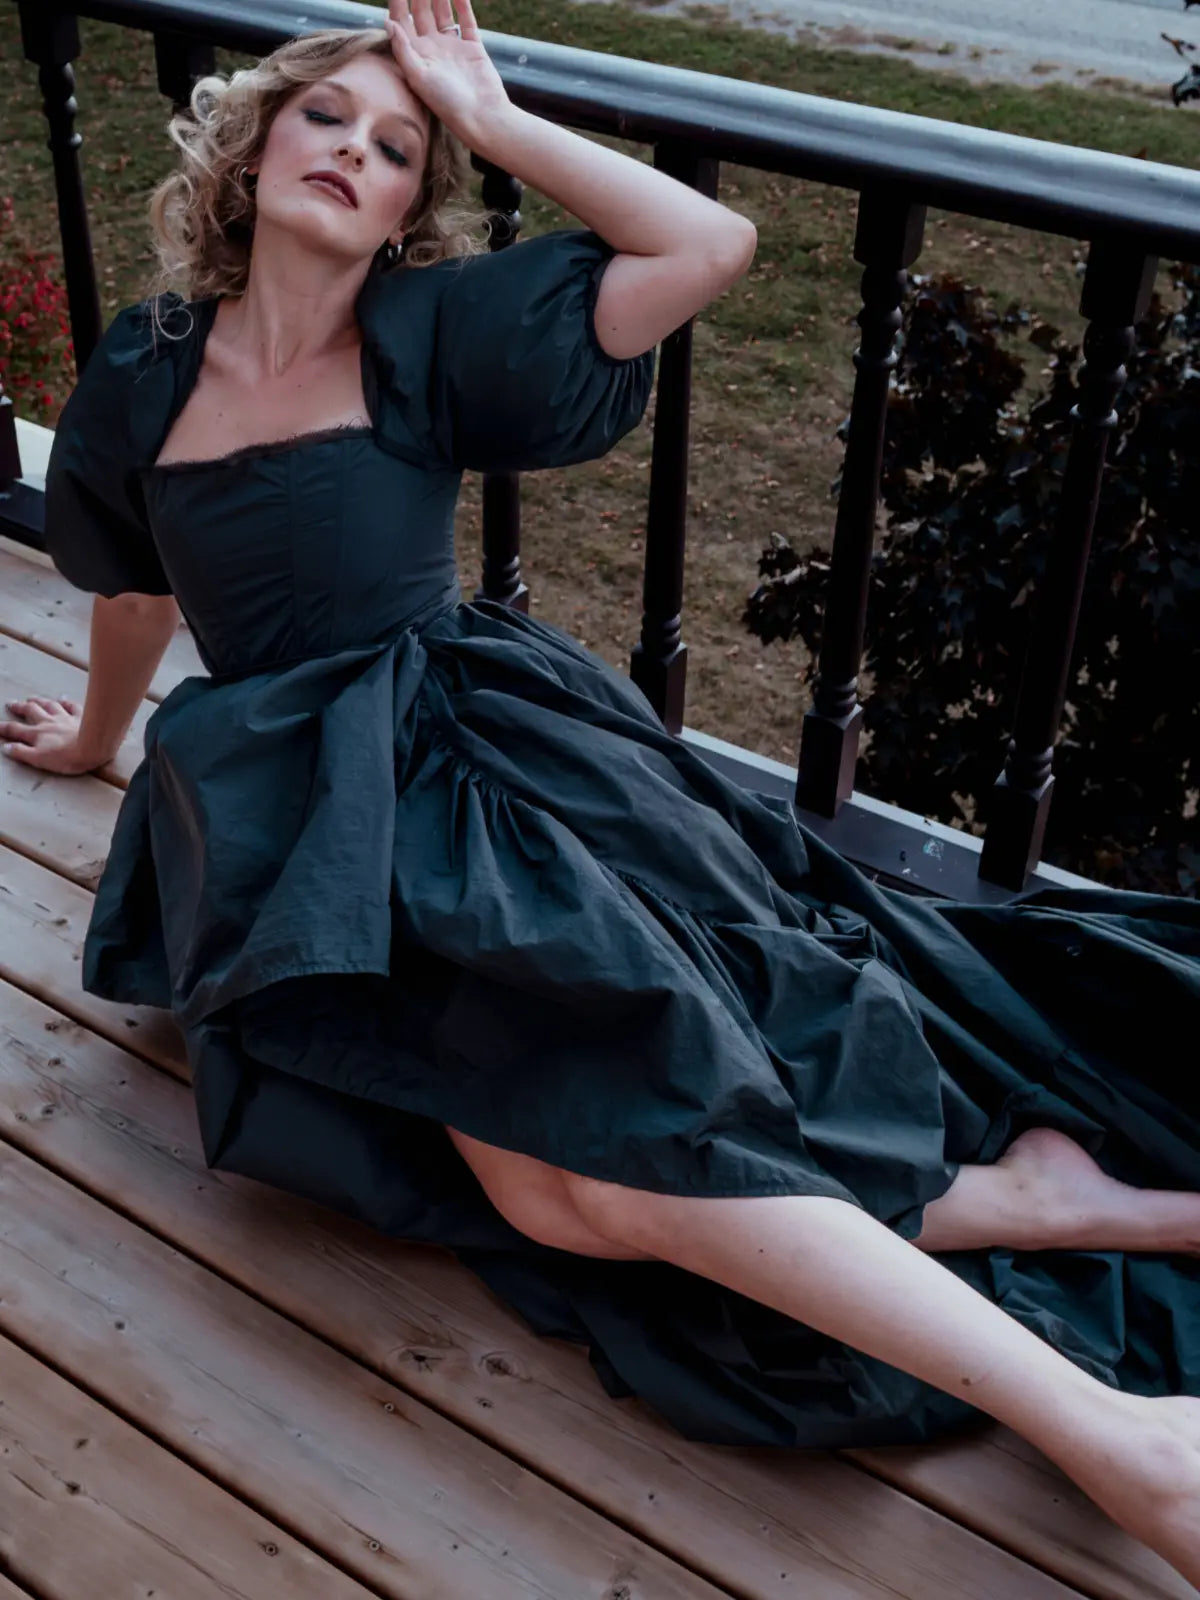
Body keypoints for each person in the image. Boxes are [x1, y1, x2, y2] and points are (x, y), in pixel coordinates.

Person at [3, 0, 1198, 1578]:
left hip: (477, 770)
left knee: (571, 1166)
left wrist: (490, 117)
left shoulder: (421, 335)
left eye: (395, 144)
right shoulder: (145, 371)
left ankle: (1122, 1437)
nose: (355, 154)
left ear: (414, 195)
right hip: (302, 808)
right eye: (329, 122)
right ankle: (1030, 1216)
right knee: (565, 1186)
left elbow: (704, 242)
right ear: (253, 141)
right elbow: (136, 590)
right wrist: (97, 748)